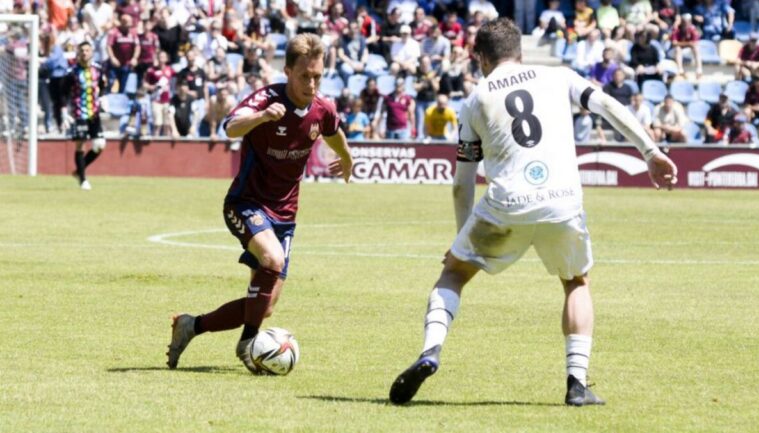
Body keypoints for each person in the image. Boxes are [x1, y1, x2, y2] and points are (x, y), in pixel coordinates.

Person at [388, 18, 677, 407]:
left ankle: (430, 351)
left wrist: (462, 238)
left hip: (506, 205)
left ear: (479, 57)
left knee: (454, 274)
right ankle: (577, 384)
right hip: (561, 203)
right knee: (576, 282)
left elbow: (462, 182)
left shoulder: (475, 100)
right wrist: (650, 152)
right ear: (519, 50)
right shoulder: (558, 76)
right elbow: (607, 104)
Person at [166, 33, 354, 373]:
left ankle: (191, 326)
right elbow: (231, 127)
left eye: (318, 76)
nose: (312, 84)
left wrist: (347, 157)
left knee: (263, 307)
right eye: (304, 76)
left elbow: (333, 130)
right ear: (287, 71)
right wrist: (263, 116)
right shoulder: (267, 99)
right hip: (246, 203)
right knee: (272, 259)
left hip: (285, 215)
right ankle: (247, 344)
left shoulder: (322, 108)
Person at [63, 41, 106, 190]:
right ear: (78, 53)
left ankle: (78, 171)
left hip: (94, 112)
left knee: (99, 145)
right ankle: (83, 179)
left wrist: (102, 97)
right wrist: (64, 111)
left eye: (87, 50)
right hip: (79, 112)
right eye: (82, 51)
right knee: (80, 144)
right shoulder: (72, 72)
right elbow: (64, 92)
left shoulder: (98, 69)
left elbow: (102, 85)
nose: (85, 53)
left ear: (92, 52)